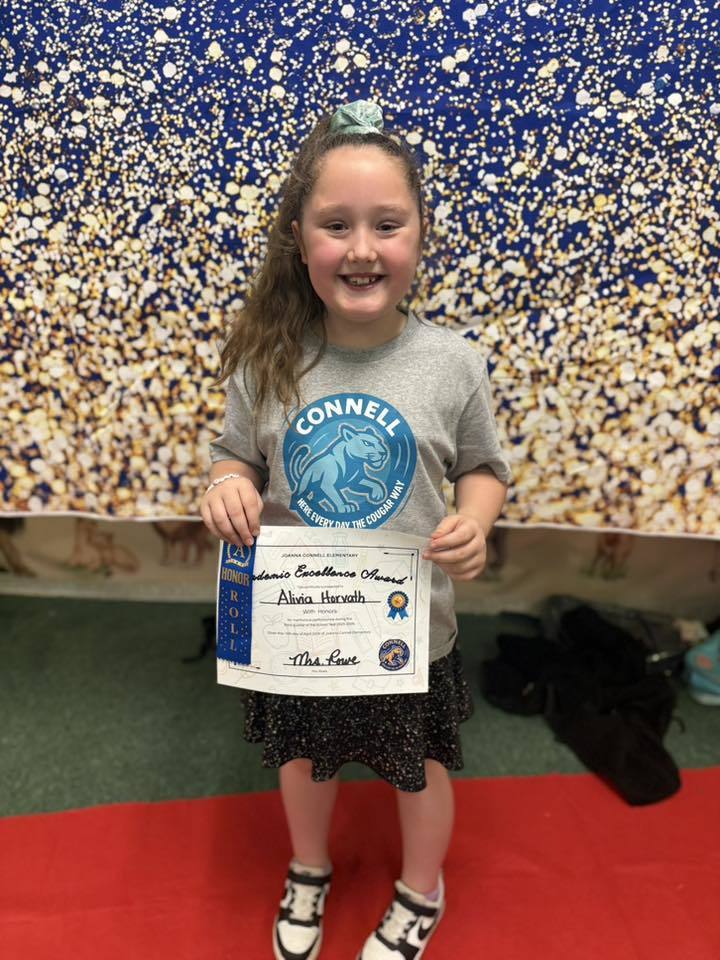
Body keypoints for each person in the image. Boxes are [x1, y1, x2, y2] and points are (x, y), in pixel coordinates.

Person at [201, 99, 513, 960]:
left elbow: (485, 468)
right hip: (298, 623)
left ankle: (422, 888)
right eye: (336, 225)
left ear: (419, 238)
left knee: (420, 767)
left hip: (410, 628)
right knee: (304, 761)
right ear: (300, 242)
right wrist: (225, 489)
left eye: (388, 224)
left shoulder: (453, 363)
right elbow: (234, 459)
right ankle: (309, 869)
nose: (363, 248)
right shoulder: (267, 357)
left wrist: (476, 521)